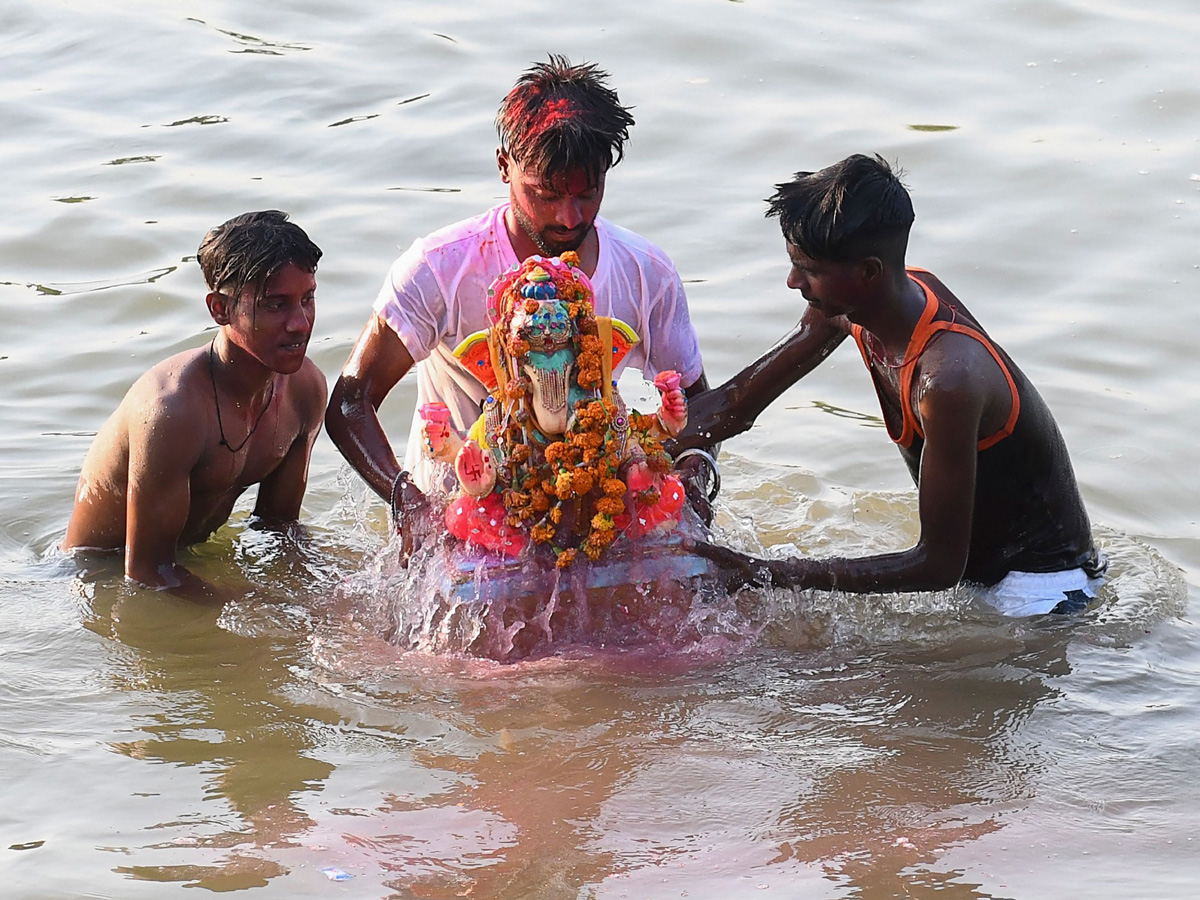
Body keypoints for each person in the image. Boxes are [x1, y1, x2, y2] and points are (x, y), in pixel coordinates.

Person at [680, 154, 1104, 616]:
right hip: (978, 573)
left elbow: (937, 566)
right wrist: (628, 447)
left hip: (1042, 590)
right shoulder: (852, 306)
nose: (792, 281)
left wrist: (764, 573)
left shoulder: (948, 380)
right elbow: (738, 405)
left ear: (868, 272)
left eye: (809, 269)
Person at [326, 55, 712, 545]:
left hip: (589, 517)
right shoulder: (440, 268)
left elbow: (702, 411)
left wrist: (695, 489)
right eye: (545, 194)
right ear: (504, 166)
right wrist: (409, 503)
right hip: (461, 523)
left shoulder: (646, 273)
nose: (569, 218)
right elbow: (349, 403)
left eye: (587, 194)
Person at [62, 211, 327, 596]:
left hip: (182, 563)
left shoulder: (306, 391)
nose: (301, 323)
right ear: (220, 309)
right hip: (93, 575)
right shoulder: (172, 410)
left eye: (308, 298)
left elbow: (278, 530)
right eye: (275, 304)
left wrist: (328, 592)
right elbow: (147, 573)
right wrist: (263, 608)